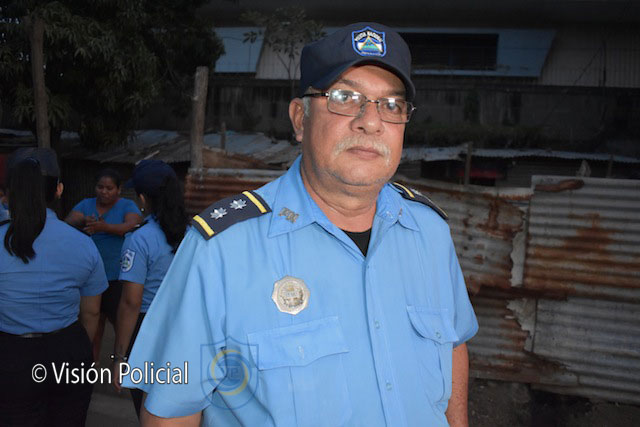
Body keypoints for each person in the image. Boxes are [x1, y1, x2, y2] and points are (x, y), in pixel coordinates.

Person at [124, 22, 478, 426]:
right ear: (299, 118)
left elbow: (452, 346)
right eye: (345, 97)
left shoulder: (430, 233)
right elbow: (171, 411)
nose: (371, 121)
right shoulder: (221, 250)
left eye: (391, 104)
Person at [0, 148, 108, 426]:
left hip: (11, 355)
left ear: (7, 194)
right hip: (68, 353)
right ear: (58, 190)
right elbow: (91, 313)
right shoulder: (83, 244)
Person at [111, 160, 188, 417]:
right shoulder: (194, 233)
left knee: (149, 410)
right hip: (188, 327)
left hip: (147, 331)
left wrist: (120, 357)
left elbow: (131, 303)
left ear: (143, 199)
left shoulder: (139, 239)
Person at [65, 168, 142, 360]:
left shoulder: (127, 205)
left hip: (116, 276)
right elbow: (68, 221)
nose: (104, 192)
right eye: (100, 187)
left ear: (118, 189)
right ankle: (90, 364)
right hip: (90, 277)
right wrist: (84, 220)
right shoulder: (86, 204)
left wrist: (105, 227)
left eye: (109, 188)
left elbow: (132, 225)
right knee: (91, 322)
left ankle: (123, 362)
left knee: (121, 324)